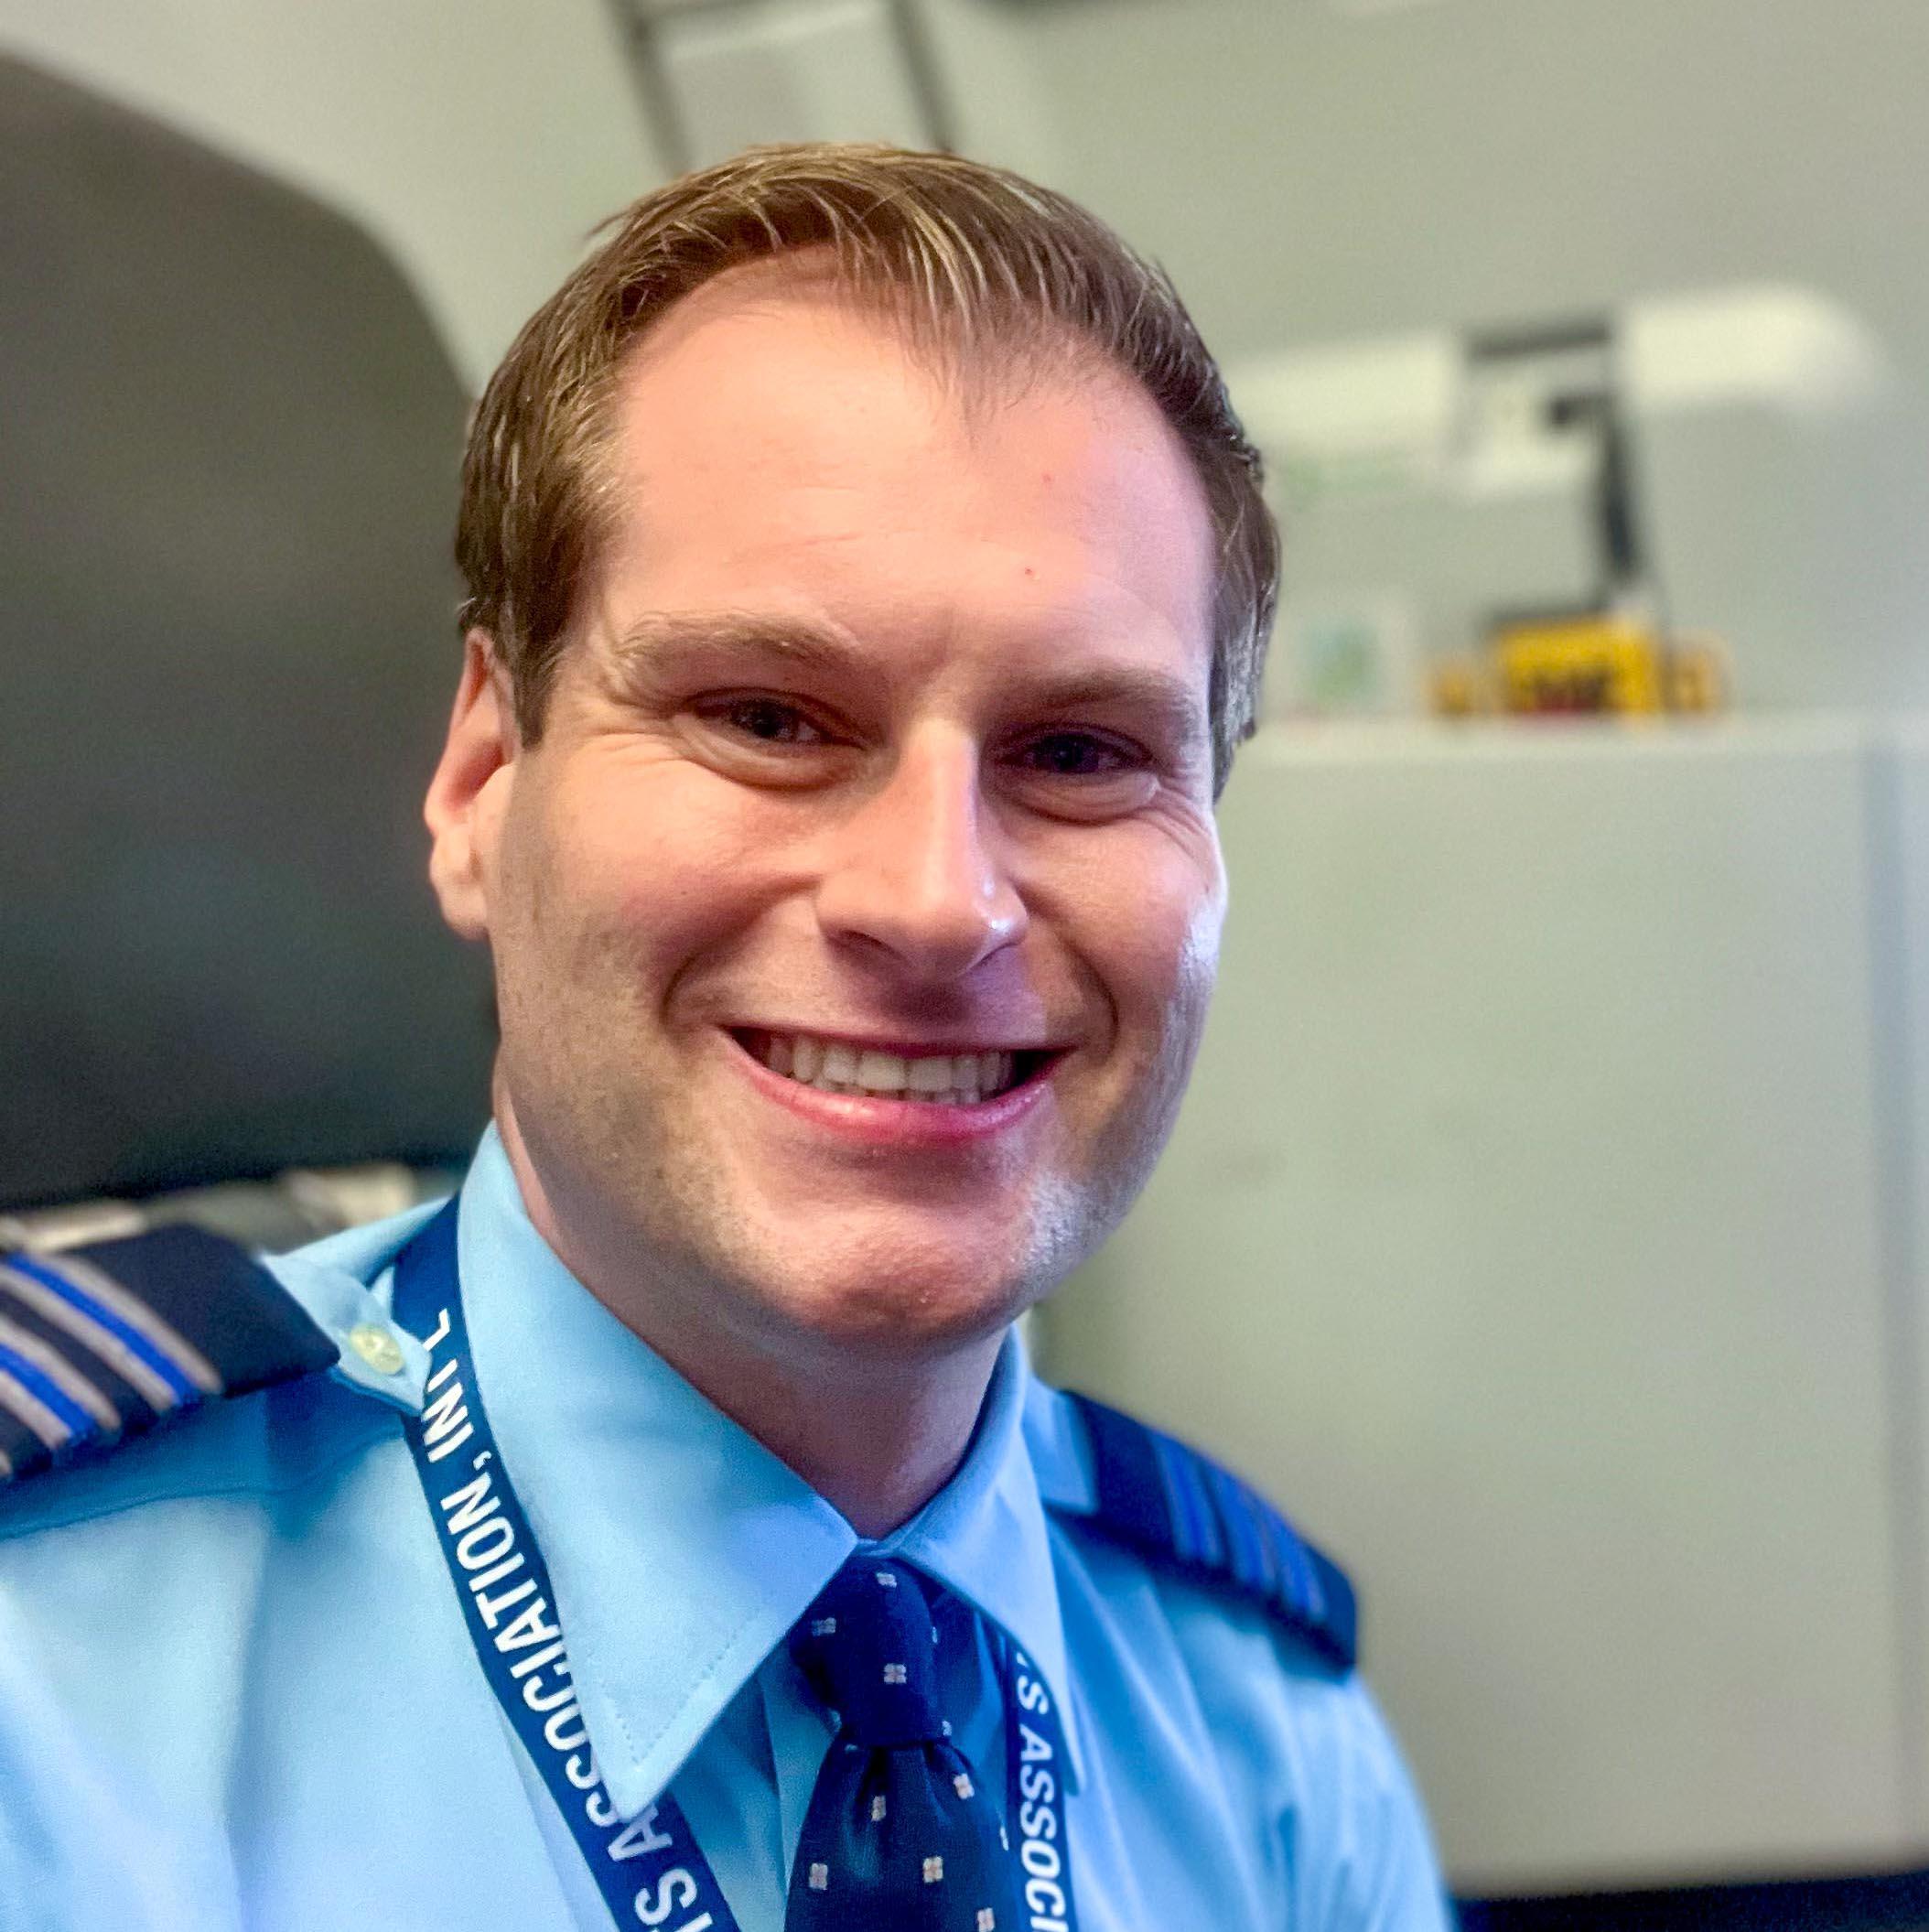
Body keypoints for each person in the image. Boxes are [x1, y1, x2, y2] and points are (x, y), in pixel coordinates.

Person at [0, 145, 1450, 1930]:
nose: (938, 903)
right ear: (482, 778)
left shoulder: (1266, 1740)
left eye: (1081, 754)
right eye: (767, 718)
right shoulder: (45, 1693)